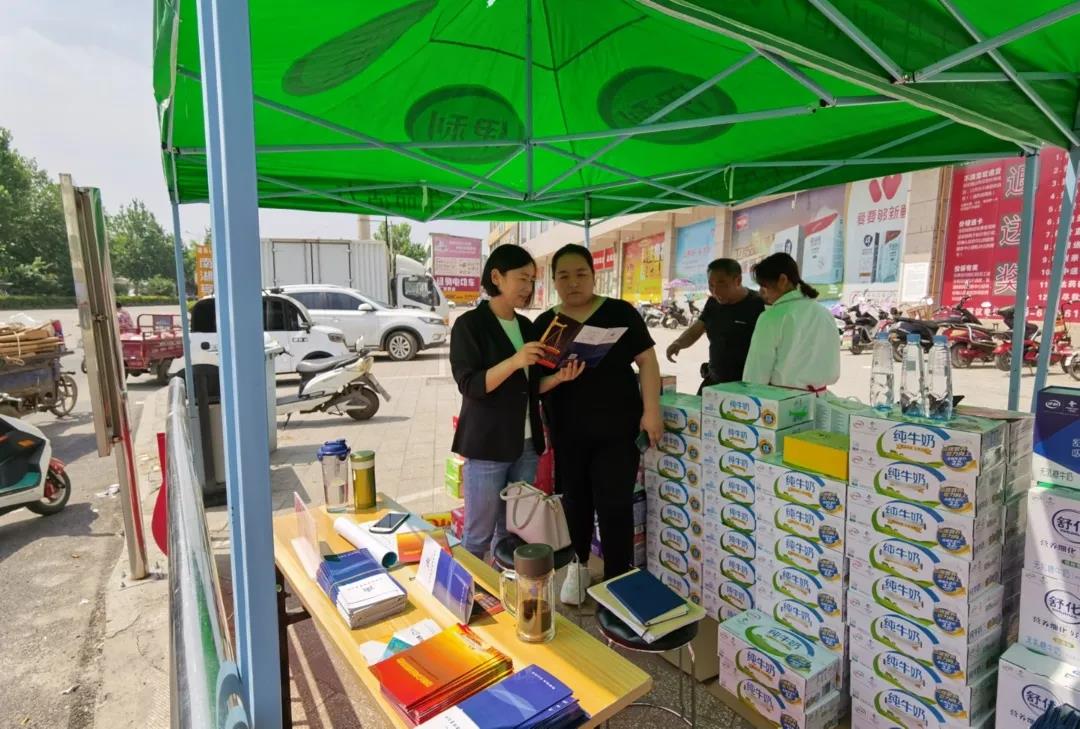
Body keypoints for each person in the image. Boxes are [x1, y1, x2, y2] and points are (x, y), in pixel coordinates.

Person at [535, 244, 663, 605]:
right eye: (564, 276)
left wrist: (651, 410)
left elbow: (648, 361)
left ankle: (617, 578)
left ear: (594, 276)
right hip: (568, 432)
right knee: (575, 501)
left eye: (581, 274)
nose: (573, 282)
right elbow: (533, 382)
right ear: (554, 281)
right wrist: (558, 377)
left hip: (617, 430)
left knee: (615, 505)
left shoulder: (620, 312)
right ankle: (577, 566)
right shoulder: (546, 324)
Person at [450, 246, 584, 560]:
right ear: (496, 277)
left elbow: (530, 388)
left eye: (532, 280)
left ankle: (504, 585)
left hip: (526, 446)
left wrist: (559, 378)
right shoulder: (470, 325)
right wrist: (514, 361)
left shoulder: (526, 327)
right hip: (487, 446)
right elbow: (470, 385)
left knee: (512, 534)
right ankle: (468, 590)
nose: (528, 287)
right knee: (477, 536)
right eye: (522, 278)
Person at [742, 252, 841, 392]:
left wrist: (750, 394)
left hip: (780, 399)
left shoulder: (771, 317)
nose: (762, 292)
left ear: (782, 280)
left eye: (764, 286)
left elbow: (756, 373)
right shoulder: (823, 313)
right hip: (820, 397)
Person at [665, 259, 765, 394]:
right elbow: (698, 328)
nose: (715, 291)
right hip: (713, 381)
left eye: (722, 284)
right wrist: (678, 343)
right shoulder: (713, 303)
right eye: (711, 285)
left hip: (744, 386)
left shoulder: (758, 304)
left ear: (738, 280)